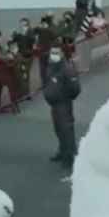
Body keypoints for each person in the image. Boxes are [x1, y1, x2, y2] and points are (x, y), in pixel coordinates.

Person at [42, 40, 80, 174]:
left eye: (56, 53)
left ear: (62, 54)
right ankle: (62, 151)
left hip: (63, 103)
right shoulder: (51, 66)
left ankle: (69, 157)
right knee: (58, 129)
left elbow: (75, 88)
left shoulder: (67, 69)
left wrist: (66, 98)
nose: (53, 55)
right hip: (54, 104)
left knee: (66, 130)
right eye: (52, 52)